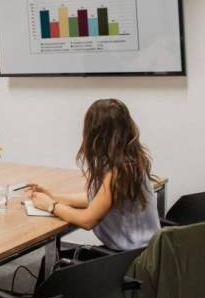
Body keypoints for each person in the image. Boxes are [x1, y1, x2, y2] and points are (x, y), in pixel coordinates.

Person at [27, 98, 160, 251]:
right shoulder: (131, 162)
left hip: (130, 259)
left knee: (57, 269)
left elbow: (88, 220)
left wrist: (51, 206)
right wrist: (53, 195)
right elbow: (96, 200)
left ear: (96, 135)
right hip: (146, 253)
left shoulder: (117, 171)